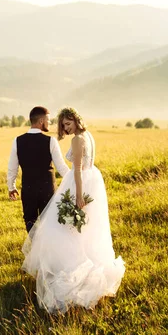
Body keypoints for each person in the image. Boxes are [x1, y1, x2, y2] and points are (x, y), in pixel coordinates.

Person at [22, 107, 125, 313]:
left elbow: (77, 169)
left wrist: (78, 195)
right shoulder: (88, 135)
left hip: (81, 182)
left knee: (63, 227)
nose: (66, 129)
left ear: (76, 120)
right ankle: (86, 259)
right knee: (86, 228)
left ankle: (70, 266)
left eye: (68, 124)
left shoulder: (78, 139)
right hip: (92, 179)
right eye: (63, 126)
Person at [7, 106, 70, 232]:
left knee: (30, 221)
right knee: (50, 223)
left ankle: (36, 248)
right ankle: (47, 249)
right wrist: (75, 180)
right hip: (48, 190)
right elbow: (62, 167)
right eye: (48, 120)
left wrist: (11, 187)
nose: (50, 123)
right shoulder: (50, 141)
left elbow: (12, 169)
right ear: (41, 121)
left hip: (28, 190)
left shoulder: (17, 141)